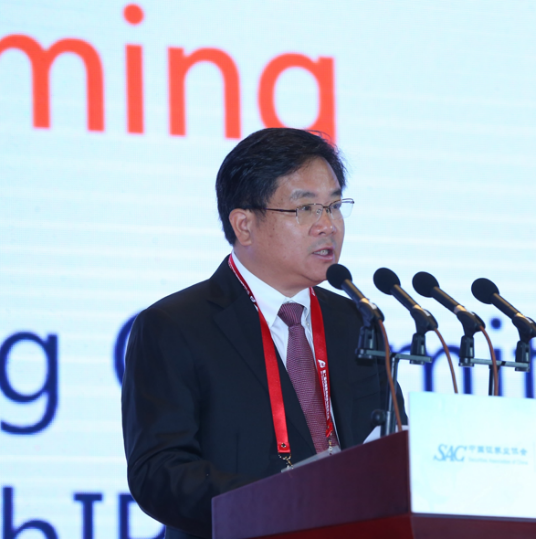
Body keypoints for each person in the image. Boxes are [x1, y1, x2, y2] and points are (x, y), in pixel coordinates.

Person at [121, 128, 405, 539]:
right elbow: (159, 474)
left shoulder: (357, 321)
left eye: (334, 205)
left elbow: (393, 448)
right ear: (244, 225)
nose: (328, 225)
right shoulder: (175, 326)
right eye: (305, 208)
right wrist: (280, 502)